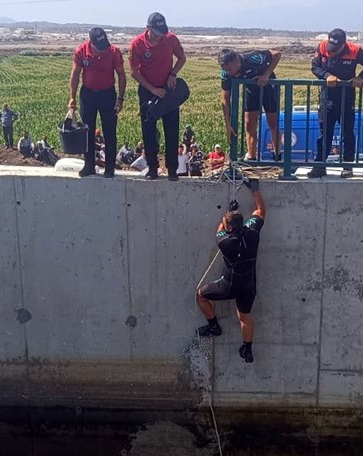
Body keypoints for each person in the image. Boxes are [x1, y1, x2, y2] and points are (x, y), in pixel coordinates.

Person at [196, 180, 266, 364]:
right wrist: (255, 190)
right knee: (244, 316)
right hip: (249, 285)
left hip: (230, 285)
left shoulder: (225, 242)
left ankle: (213, 327)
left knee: (200, 295)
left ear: (229, 227)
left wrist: (225, 215)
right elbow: (260, 211)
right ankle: (248, 349)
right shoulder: (252, 232)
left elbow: (220, 231)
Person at [308, 29, 363, 178]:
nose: (332, 52)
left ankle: (347, 165)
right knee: (325, 133)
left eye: (335, 50)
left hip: (347, 97)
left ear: (343, 45)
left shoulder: (355, 50)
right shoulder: (322, 47)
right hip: (328, 97)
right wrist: (327, 76)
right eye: (330, 49)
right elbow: (315, 67)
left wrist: (360, 77)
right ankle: (320, 166)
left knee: (347, 132)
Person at [130, 12, 188, 180]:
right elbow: (134, 72)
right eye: (157, 31)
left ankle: (172, 169)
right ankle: (153, 168)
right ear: (148, 28)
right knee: (148, 131)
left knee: (172, 129)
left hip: (168, 89)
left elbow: (182, 58)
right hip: (147, 90)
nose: (160, 34)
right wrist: (152, 89)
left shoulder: (170, 39)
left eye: (162, 30)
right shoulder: (137, 44)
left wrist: (173, 74)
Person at [70, 27, 126, 178]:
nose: (102, 51)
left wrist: (120, 99)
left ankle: (109, 168)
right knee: (88, 131)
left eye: (104, 47)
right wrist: (72, 97)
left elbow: (121, 75)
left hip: (108, 95)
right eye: (99, 48)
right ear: (91, 43)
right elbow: (75, 74)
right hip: (88, 95)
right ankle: (89, 166)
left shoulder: (113, 52)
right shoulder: (81, 51)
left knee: (110, 132)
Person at [219, 47, 283, 161]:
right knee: (249, 125)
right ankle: (251, 158)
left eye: (229, 69)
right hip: (251, 90)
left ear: (237, 63)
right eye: (225, 70)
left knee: (272, 123)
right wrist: (228, 125)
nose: (228, 72)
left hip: (268, 87)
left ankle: (277, 156)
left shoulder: (253, 58)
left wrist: (266, 74)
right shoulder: (225, 73)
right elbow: (225, 99)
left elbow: (276, 54)